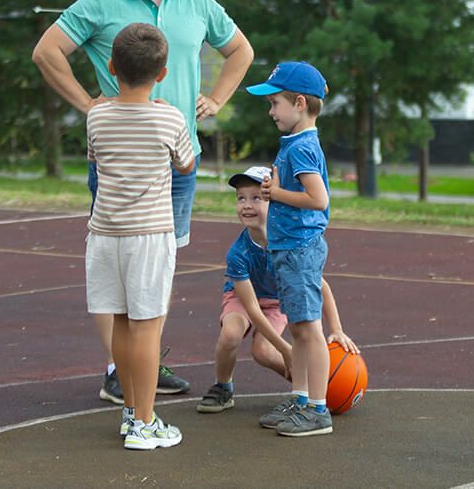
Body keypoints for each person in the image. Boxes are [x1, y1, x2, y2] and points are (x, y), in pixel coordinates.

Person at [32, 0, 254, 403]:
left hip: (178, 162)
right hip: (121, 162)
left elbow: (241, 51)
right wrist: (88, 103)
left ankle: (142, 363)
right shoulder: (101, 1)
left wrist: (217, 98)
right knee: (120, 269)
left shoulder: (197, 2)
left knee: (159, 266)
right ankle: (119, 370)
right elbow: (46, 52)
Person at [84, 22, 195, 450]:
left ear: (112, 67)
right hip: (148, 235)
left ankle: (132, 412)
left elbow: (95, 155)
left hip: (104, 233)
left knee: (121, 323)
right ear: (162, 73)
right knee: (148, 328)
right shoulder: (169, 116)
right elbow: (186, 164)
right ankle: (145, 425)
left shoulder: (97, 115)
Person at [196, 165, 358, 415]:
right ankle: (223, 387)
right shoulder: (238, 253)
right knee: (230, 334)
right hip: (243, 297)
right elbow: (250, 307)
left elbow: (320, 286)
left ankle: (306, 390)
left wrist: (336, 329)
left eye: (256, 198)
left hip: (277, 299)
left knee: (262, 351)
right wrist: (286, 349)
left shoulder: (290, 244)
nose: (246, 205)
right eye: (241, 198)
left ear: (275, 203)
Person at [245, 61, 334, 437]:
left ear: (299, 103)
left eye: (275, 103)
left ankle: (318, 408)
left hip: (299, 247)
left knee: (309, 329)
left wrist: (274, 194)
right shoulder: (295, 144)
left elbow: (318, 198)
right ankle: (300, 398)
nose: (271, 112)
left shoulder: (302, 147)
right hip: (289, 247)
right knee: (297, 328)